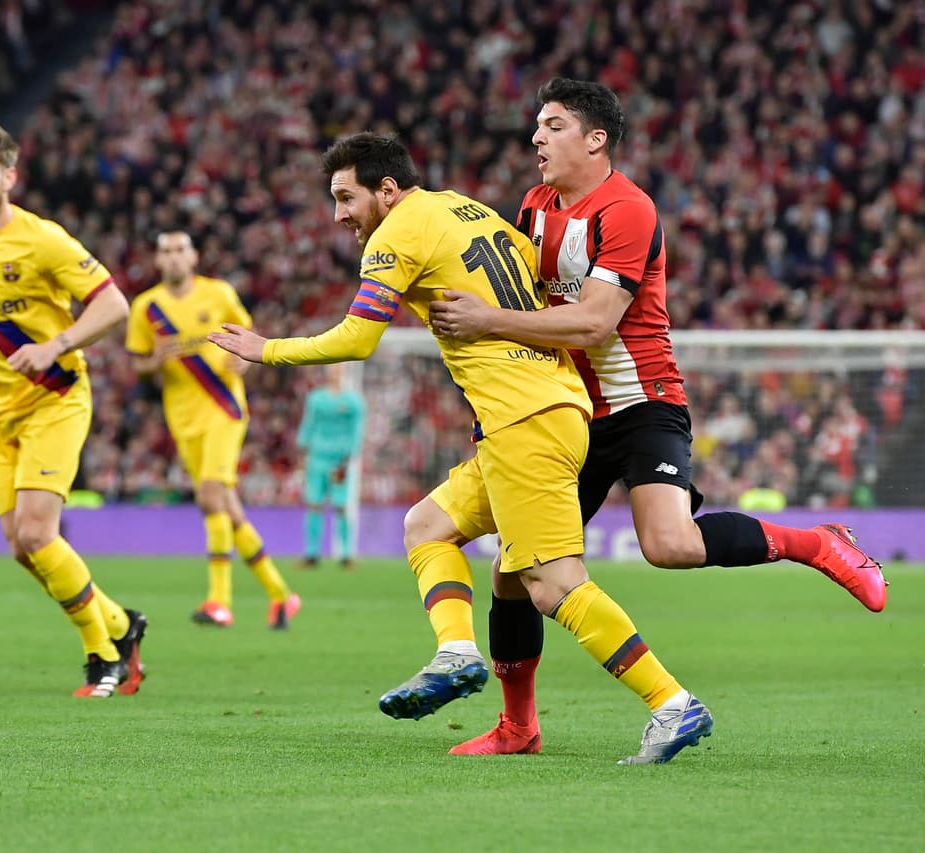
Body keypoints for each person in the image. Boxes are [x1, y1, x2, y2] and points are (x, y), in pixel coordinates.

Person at [211, 131, 712, 764]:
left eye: (346, 198)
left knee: (552, 584)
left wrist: (269, 349)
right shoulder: (467, 208)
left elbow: (358, 338)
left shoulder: (398, 232)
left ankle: (671, 703)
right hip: (548, 404)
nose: (339, 215)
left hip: (523, 418)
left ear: (386, 190)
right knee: (427, 525)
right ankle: (456, 654)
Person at [427, 78, 887, 756]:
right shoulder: (533, 205)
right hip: (568, 416)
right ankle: (518, 727)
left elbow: (592, 322)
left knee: (667, 544)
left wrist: (482, 318)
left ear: (595, 139)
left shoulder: (629, 210)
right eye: (537, 126)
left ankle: (818, 543)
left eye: (552, 126)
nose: (535, 138)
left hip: (643, 402)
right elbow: (524, 299)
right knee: (512, 575)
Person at [0, 113, 147, 698]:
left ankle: (103, 653)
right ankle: (122, 623)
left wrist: (57, 344)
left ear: (9, 176)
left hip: (56, 398)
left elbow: (114, 306)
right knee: (21, 547)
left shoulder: (44, 240)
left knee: (39, 533)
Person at [126, 230, 301, 630]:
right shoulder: (147, 308)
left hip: (223, 407)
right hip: (182, 418)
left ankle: (219, 602)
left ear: (193, 257)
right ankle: (281, 594)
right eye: (165, 252)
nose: (172, 258)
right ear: (158, 260)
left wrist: (247, 361)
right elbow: (138, 364)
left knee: (209, 497)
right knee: (227, 508)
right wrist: (154, 360)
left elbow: (248, 337)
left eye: (179, 251)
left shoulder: (218, 293)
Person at [297, 363, 366, 568]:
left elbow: (356, 430)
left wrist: (351, 454)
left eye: (339, 369)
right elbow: (309, 424)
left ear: (344, 373)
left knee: (341, 506)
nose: (335, 373)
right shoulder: (316, 399)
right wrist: (303, 447)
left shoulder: (353, 402)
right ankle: (311, 554)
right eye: (332, 369)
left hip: (339, 461)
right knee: (314, 504)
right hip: (317, 458)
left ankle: (346, 555)